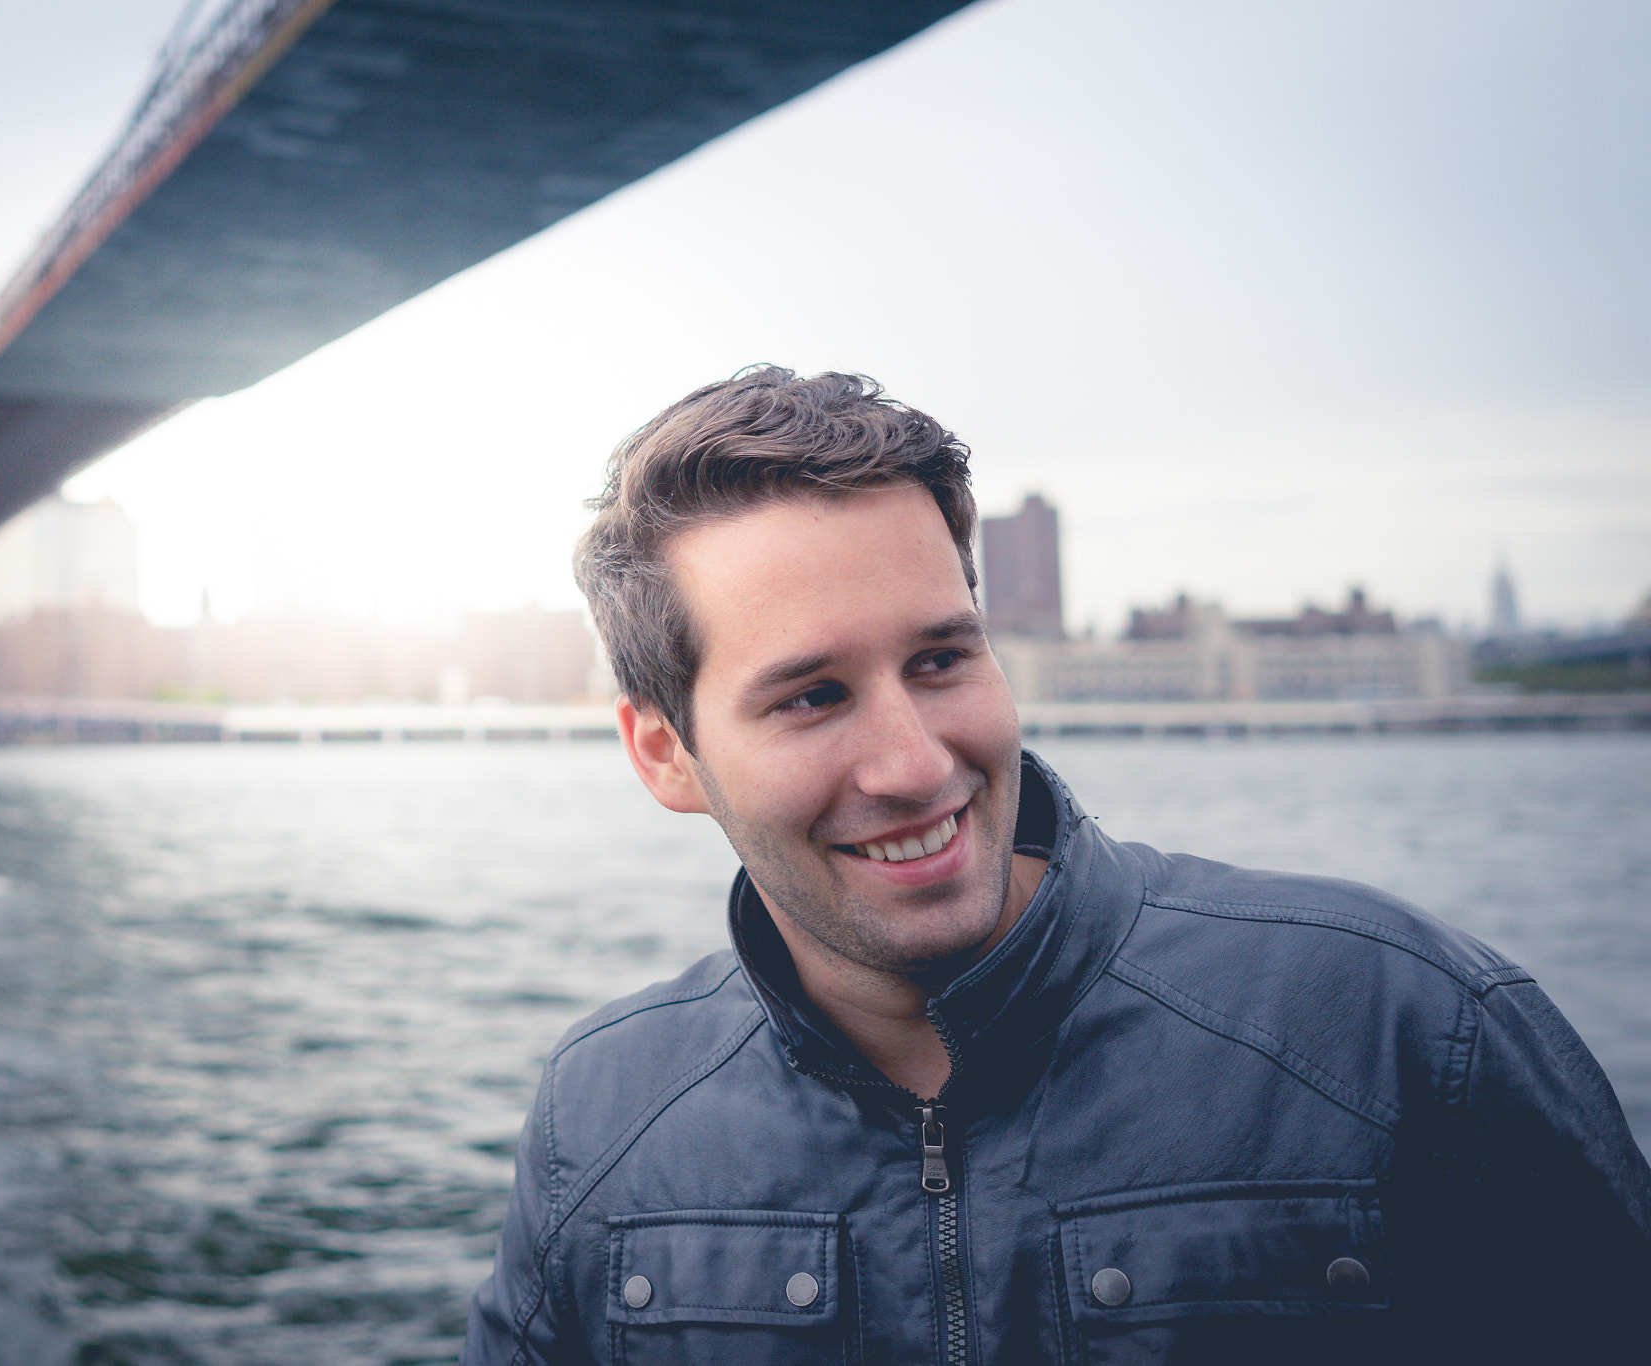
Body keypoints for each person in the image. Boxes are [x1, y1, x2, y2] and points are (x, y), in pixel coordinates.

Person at [463, 367, 1651, 1364]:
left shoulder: (1398, 1023)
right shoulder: (601, 1110)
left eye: (939, 661)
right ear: (665, 753)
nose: (915, 763)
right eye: (812, 695)